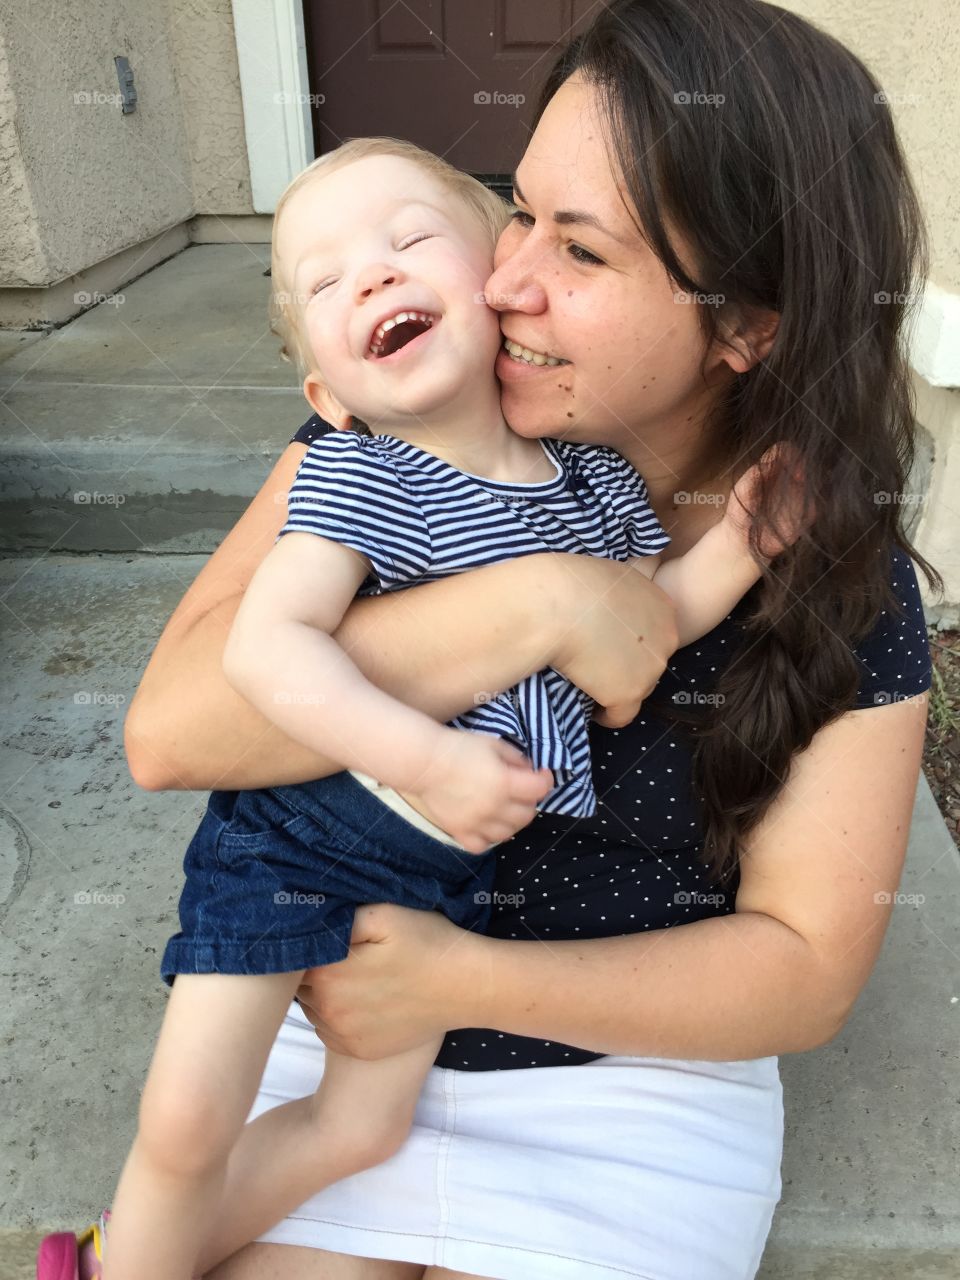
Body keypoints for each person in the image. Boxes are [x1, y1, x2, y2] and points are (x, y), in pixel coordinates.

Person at [110, 1, 937, 1278]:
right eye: (518, 210)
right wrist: (538, 605)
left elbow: (805, 968)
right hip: (330, 1017)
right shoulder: (397, 434)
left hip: (625, 1090)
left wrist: (457, 981)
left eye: (583, 252)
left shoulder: (820, 559)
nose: (500, 279)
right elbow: (171, 733)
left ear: (744, 326)